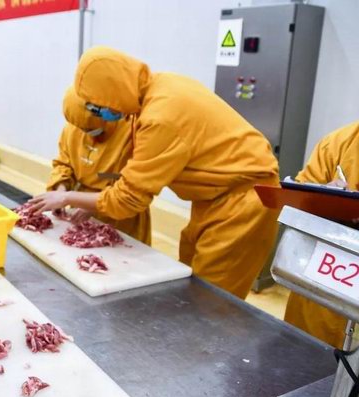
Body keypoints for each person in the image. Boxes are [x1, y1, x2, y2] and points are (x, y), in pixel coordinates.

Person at [30, 46, 280, 299]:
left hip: (244, 198)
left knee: (212, 294)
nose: (102, 113)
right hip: (212, 197)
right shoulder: (159, 88)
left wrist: (66, 197)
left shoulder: (160, 116)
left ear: (114, 89)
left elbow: (128, 199)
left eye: (98, 107)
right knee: (191, 269)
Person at [284, 121, 359, 347]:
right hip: (326, 266)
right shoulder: (339, 143)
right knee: (303, 346)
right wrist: (326, 197)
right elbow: (300, 197)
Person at [46, 86, 151, 244]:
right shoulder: (75, 123)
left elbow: (136, 187)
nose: (86, 133)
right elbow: (64, 163)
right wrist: (60, 190)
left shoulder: (133, 129)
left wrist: (93, 206)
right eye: (82, 129)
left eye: (92, 129)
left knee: (120, 252)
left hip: (121, 213)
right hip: (78, 208)